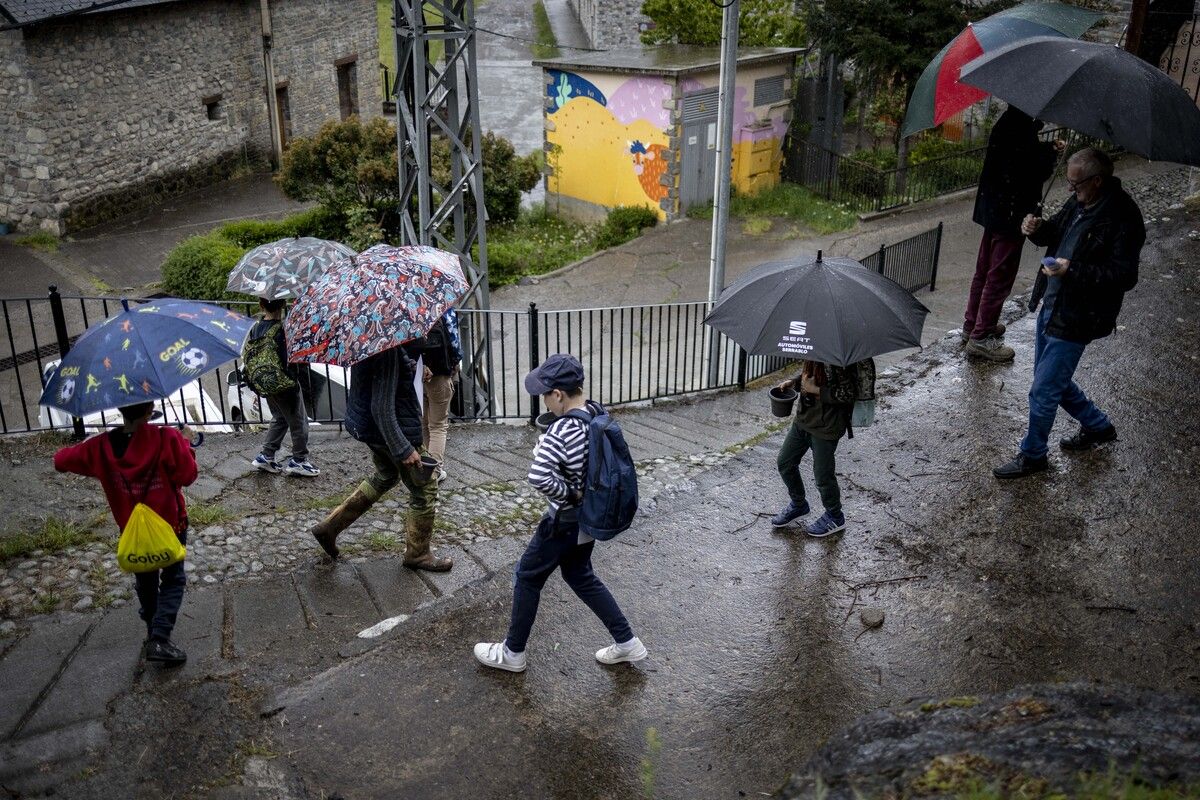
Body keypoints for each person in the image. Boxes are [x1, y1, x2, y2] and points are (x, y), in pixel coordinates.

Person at [473, 354, 646, 673]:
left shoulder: (562, 429)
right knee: (580, 575)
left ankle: (512, 653)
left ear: (558, 395)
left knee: (527, 576)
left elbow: (539, 476)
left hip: (563, 521)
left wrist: (566, 489)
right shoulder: (594, 412)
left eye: (545, 395)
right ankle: (627, 643)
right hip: (586, 521)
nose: (544, 402)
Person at [994, 148, 1144, 479]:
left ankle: (1033, 455)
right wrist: (1036, 228)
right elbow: (1056, 233)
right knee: (1052, 382)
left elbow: (1124, 275)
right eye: (1068, 183)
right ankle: (1097, 425)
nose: (1070, 190)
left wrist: (1072, 270)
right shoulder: (1079, 202)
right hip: (1053, 303)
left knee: (1044, 389)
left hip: (1080, 314)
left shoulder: (1123, 217)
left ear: (1097, 181)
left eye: (1075, 185)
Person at [53, 402, 198, 665]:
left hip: (133, 532)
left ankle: (152, 631)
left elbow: (60, 461)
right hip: (171, 527)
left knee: (145, 581)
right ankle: (160, 638)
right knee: (173, 579)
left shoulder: (100, 447)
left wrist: (87, 445)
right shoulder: (167, 438)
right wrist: (185, 442)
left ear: (120, 408)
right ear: (151, 408)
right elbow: (187, 475)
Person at [309, 345, 451, 571]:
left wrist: (409, 368)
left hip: (371, 429)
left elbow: (380, 381)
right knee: (425, 489)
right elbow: (381, 407)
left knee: (386, 475)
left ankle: (330, 528)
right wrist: (403, 448)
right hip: (392, 431)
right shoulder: (387, 349)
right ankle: (418, 553)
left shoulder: (368, 340)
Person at [963, 107, 1063, 362]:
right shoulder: (1022, 129)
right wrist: (1051, 153)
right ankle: (981, 336)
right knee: (999, 275)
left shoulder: (1008, 122)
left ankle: (973, 325)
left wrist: (1045, 148)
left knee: (984, 271)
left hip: (994, 211)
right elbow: (1028, 170)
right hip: (1011, 215)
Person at [769, 360, 860, 537]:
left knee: (823, 475)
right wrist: (794, 383)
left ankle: (835, 516)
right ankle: (798, 504)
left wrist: (817, 391)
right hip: (803, 421)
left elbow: (849, 393)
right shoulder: (813, 350)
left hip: (827, 427)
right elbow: (808, 378)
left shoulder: (841, 360)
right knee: (785, 463)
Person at [248, 297, 319, 477]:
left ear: (261, 305)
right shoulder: (283, 330)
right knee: (299, 421)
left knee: (280, 417)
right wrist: (298, 381)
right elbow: (291, 359)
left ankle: (266, 455)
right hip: (284, 383)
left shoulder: (256, 329)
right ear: (283, 305)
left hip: (265, 382)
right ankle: (299, 460)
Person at [417, 309, 462, 482]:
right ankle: (434, 472)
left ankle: (424, 467)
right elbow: (454, 342)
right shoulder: (443, 310)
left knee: (424, 424)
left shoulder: (409, 314)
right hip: (440, 375)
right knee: (438, 426)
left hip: (418, 376)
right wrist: (455, 362)